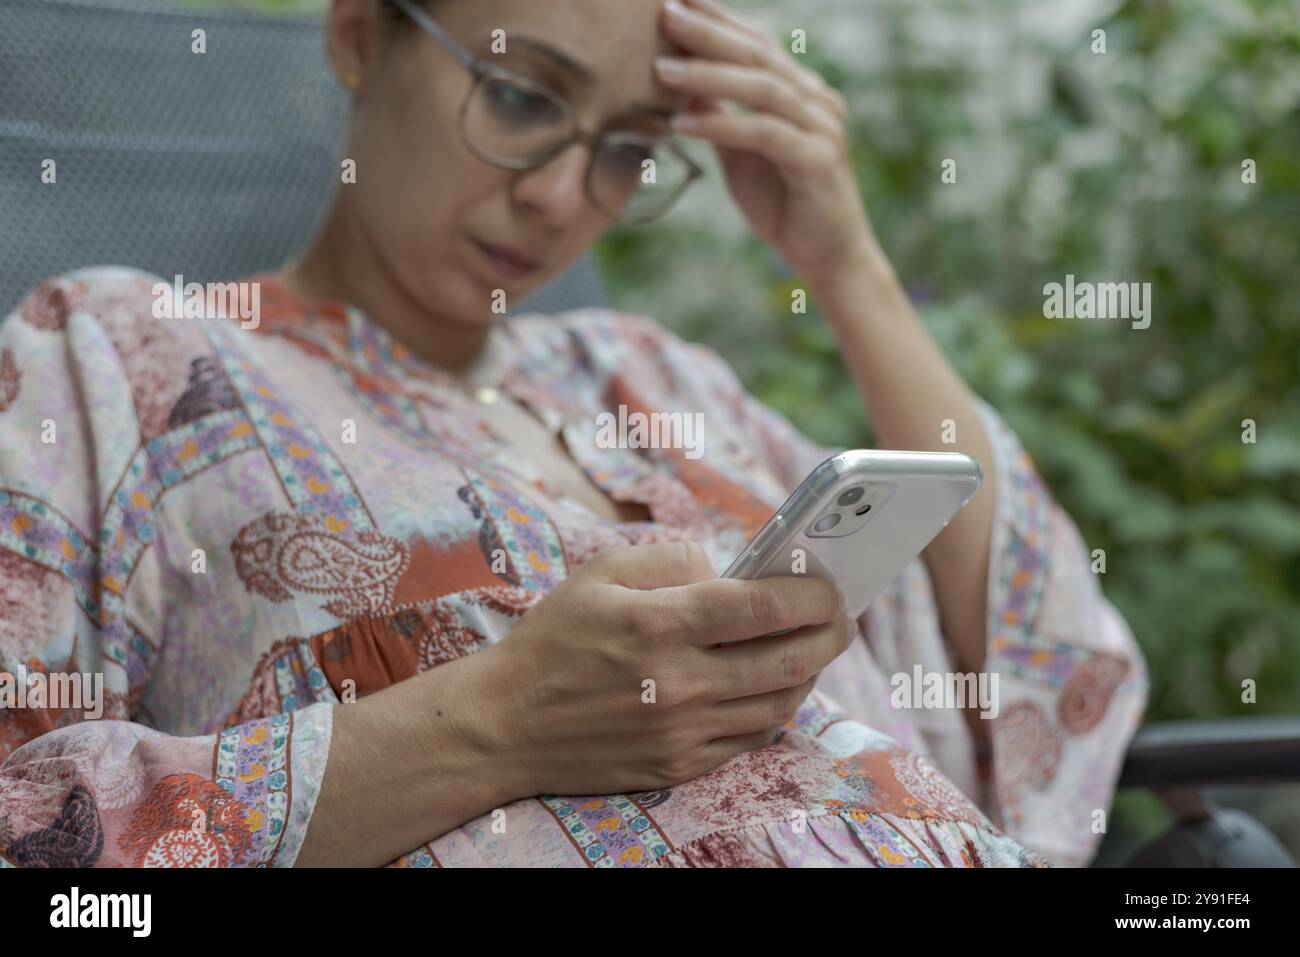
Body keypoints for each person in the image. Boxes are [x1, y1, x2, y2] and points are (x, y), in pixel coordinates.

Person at [0, 0, 1146, 868]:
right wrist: (493, 727)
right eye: (519, 95)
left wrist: (847, 269)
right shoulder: (120, 356)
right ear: (359, 32)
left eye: (628, 149)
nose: (562, 198)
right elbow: (29, 831)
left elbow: (1050, 670)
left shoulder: (649, 376)